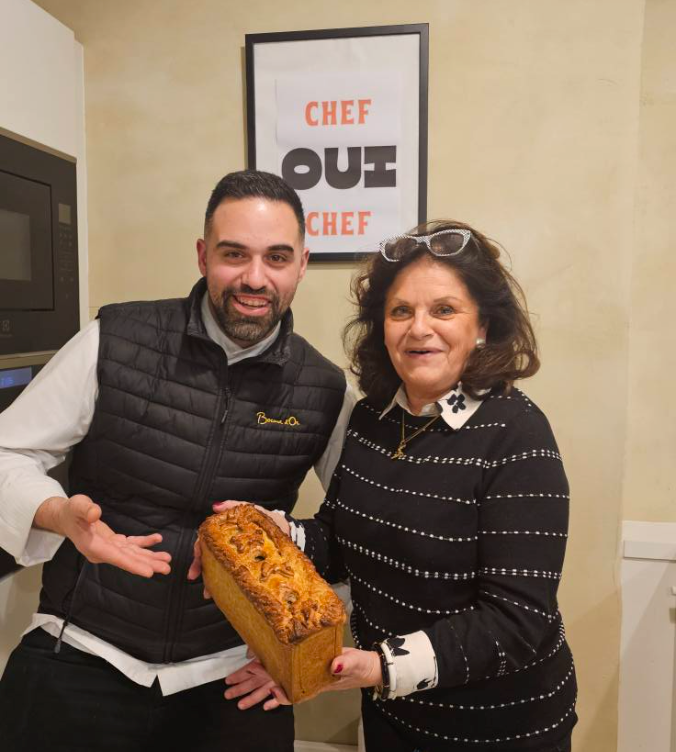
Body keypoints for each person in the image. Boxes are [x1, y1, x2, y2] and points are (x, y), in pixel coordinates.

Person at [0, 169, 355, 752]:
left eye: (277, 257)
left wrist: (301, 661)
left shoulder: (323, 389)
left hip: (230, 672)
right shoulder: (114, 338)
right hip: (86, 646)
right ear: (202, 255)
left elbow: (358, 531)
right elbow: (11, 452)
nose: (254, 278)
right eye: (233, 254)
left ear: (302, 264)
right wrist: (57, 513)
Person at [225, 221, 578, 752]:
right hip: (393, 717)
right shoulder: (373, 418)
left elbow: (518, 622)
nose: (419, 329)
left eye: (443, 310)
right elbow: (340, 543)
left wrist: (382, 666)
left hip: (500, 727)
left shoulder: (517, 434)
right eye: (400, 311)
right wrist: (272, 534)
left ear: (482, 324)